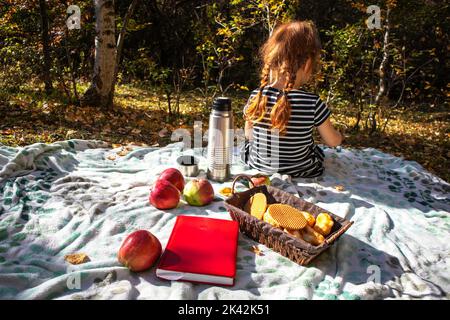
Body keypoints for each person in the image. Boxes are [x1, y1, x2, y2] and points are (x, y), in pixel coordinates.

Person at [241, 20, 342, 178]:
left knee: (248, 147)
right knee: (316, 152)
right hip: (301, 171)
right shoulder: (312, 103)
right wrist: (339, 135)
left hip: (259, 167)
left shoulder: (256, 95)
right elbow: (333, 142)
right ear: (308, 64)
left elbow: (249, 134)